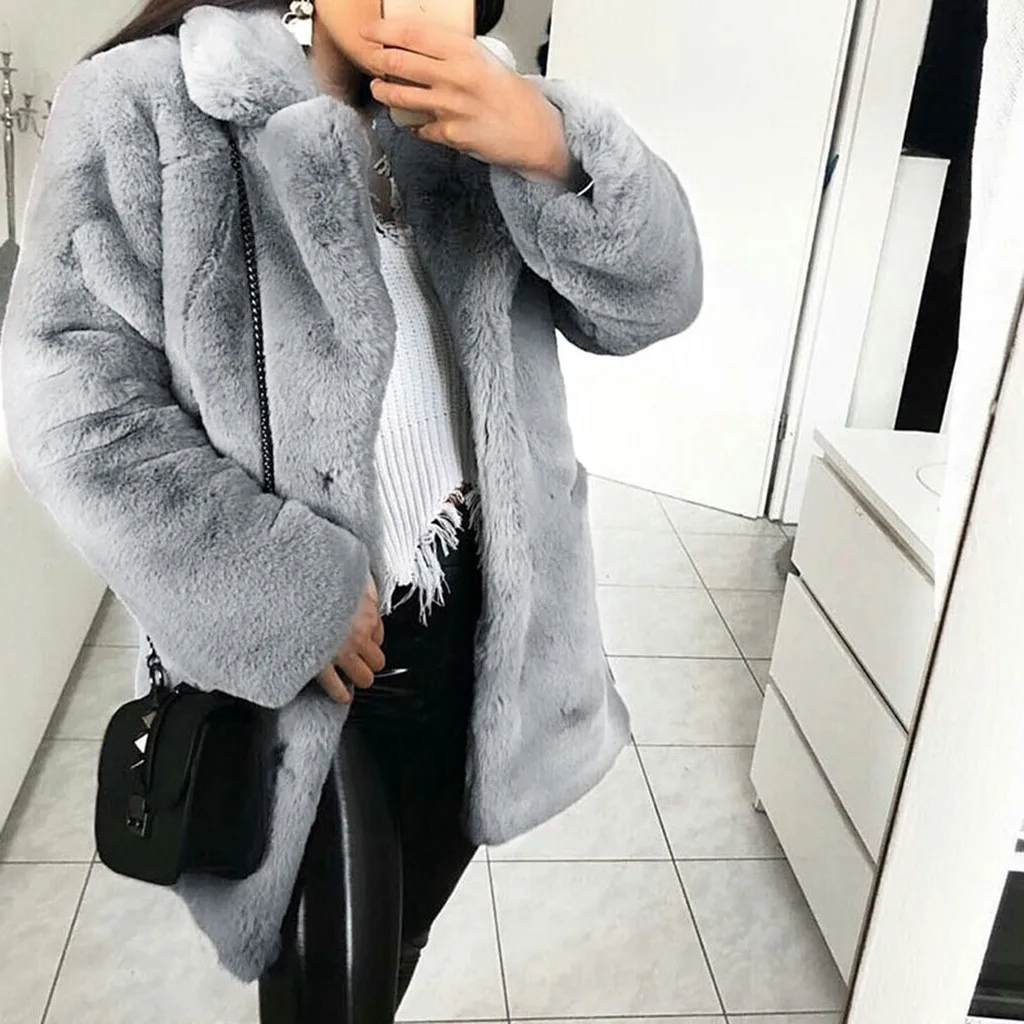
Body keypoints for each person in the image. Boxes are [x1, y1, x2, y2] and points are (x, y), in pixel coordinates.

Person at [0, 0, 702, 1019]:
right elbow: (69, 407)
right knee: (327, 987)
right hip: (308, 672)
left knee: (399, 933)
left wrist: (552, 150)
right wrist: (284, 593)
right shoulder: (154, 101)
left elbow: (653, 304)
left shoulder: (492, 116)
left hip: (487, 646)